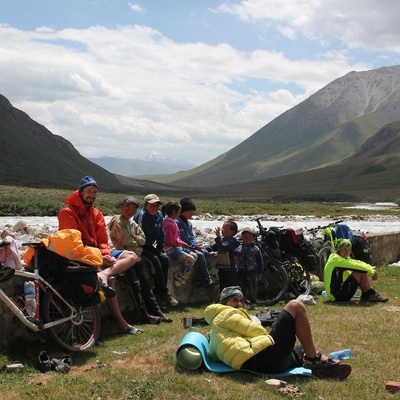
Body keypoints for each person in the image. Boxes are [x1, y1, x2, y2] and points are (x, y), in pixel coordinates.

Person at [204, 286, 352, 379]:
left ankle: (322, 366)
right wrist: (260, 323)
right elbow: (257, 331)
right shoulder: (228, 314)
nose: (239, 304)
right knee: (295, 306)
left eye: (241, 300)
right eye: (234, 300)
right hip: (262, 361)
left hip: (254, 364)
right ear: (223, 303)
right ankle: (314, 359)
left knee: (300, 349)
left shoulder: (216, 324)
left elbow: (214, 356)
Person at [58, 176, 143, 335]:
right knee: (111, 281)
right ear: (81, 192)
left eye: (95, 192)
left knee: (131, 255)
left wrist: (105, 254)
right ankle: (121, 323)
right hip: (79, 255)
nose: (92, 195)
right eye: (89, 191)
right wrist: (99, 257)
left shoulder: (96, 213)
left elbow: (103, 240)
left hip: (96, 252)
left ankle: (103, 273)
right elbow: (73, 244)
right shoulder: (67, 213)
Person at [108, 196, 172, 323]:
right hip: (125, 257)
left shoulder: (132, 223)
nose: (130, 210)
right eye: (128, 207)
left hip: (136, 257)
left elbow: (143, 240)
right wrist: (135, 240)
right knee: (135, 286)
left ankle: (156, 312)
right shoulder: (117, 221)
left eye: (133, 208)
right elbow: (125, 239)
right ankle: (144, 315)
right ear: (122, 207)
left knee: (146, 284)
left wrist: (134, 240)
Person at [134, 194, 178, 307]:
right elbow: (137, 236)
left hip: (149, 245)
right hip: (139, 246)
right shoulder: (141, 216)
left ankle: (161, 291)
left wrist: (160, 250)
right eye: (151, 205)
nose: (154, 207)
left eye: (157, 205)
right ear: (145, 205)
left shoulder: (159, 215)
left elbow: (161, 234)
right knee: (155, 261)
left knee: (164, 258)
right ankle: (162, 292)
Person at [324, 239, 389, 302]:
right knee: (360, 271)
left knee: (361, 270)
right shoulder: (336, 260)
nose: (347, 251)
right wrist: (372, 272)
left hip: (336, 293)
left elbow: (357, 263)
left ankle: (367, 294)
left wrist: (370, 268)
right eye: (344, 249)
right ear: (338, 249)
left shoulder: (339, 258)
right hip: (337, 296)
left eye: (349, 249)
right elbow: (357, 266)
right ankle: (369, 293)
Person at [176, 197, 214, 286]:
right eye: (190, 211)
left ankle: (201, 275)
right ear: (183, 211)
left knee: (205, 252)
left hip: (191, 245)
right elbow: (183, 238)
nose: (191, 214)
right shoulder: (177, 222)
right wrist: (194, 246)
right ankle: (206, 277)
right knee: (200, 255)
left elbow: (192, 236)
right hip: (184, 246)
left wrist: (196, 244)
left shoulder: (189, 223)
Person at [161, 201, 198, 281]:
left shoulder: (173, 222)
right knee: (190, 258)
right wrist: (182, 244)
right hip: (170, 249)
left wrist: (182, 244)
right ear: (174, 212)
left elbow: (176, 238)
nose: (180, 213)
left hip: (177, 247)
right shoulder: (167, 224)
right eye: (179, 211)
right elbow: (169, 241)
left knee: (195, 255)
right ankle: (179, 275)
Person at [205, 220, 240, 291]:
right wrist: (202, 249)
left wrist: (218, 237)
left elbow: (223, 247)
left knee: (230, 286)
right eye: (222, 228)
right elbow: (213, 247)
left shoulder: (233, 241)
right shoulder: (222, 239)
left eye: (225, 229)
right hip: (221, 268)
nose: (223, 230)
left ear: (232, 231)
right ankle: (223, 299)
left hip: (230, 268)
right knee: (222, 285)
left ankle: (231, 300)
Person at [234, 227, 263, 309]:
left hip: (252, 271)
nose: (246, 238)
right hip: (241, 270)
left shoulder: (256, 249)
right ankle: (241, 303)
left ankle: (253, 303)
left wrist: (260, 272)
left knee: (252, 288)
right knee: (241, 287)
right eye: (244, 236)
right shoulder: (240, 247)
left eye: (249, 237)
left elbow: (260, 261)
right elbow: (234, 254)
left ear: (253, 238)